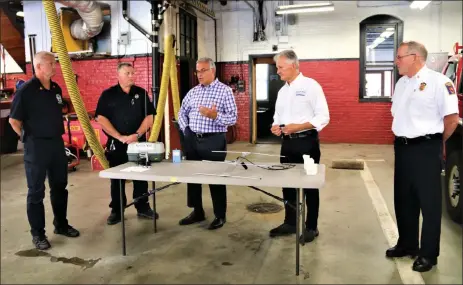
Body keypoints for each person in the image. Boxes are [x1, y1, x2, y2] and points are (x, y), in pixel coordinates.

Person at [387, 41, 459, 272]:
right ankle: (407, 244)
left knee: (429, 204)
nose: (396, 61)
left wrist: (435, 144)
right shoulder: (401, 84)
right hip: (402, 148)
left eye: (400, 57)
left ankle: (429, 254)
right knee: (403, 199)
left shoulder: (440, 82)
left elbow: (451, 120)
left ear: (415, 57)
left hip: (426, 148)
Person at [9, 51, 80, 250]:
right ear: (39, 66)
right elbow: (14, 120)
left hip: (56, 145)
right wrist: (26, 138)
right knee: (36, 192)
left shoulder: (55, 88)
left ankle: (61, 225)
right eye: (51, 63)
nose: (54, 66)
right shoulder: (26, 90)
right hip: (36, 147)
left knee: (60, 187)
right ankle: (38, 234)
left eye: (55, 63)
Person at [269, 50, 330, 242]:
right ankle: (291, 222)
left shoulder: (311, 86)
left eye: (280, 67)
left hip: (307, 143)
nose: (277, 71)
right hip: (287, 145)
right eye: (277, 67)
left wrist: (299, 126)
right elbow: (278, 116)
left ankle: (311, 226)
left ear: (294, 65)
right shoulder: (282, 91)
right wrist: (275, 126)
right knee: (288, 184)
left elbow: (323, 117)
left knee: (310, 185)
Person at [177, 57, 237, 230]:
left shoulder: (224, 91)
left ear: (212, 71)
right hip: (192, 139)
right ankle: (197, 211)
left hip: (214, 140)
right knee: (193, 177)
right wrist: (185, 128)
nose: (199, 74)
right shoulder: (193, 92)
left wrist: (214, 116)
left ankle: (220, 215)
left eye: (203, 70)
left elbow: (233, 118)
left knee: (215, 177)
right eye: (197, 71)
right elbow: (182, 112)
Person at [95, 62, 158, 225]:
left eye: (133, 73)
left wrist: (137, 135)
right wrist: (119, 136)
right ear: (118, 75)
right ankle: (117, 210)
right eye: (128, 73)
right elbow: (101, 118)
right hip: (117, 144)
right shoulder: (108, 95)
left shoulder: (141, 93)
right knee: (117, 178)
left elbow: (150, 117)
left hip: (138, 143)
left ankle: (142, 206)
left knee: (141, 176)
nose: (132, 76)